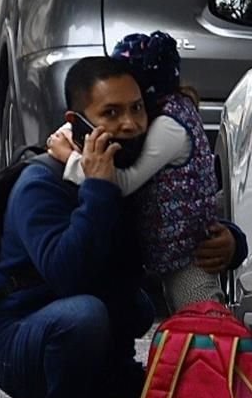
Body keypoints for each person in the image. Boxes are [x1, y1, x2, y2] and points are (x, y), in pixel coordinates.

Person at [0, 56, 247, 398]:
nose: (129, 124)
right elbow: (70, 274)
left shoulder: (129, 177)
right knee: (83, 315)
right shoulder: (41, 185)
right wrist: (98, 190)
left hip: (102, 348)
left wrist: (231, 243)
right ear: (77, 122)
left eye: (137, 109)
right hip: (25, 338)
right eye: (110, 113)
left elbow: (174, 224)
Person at [47, 31, 222, 312]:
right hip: (165, 250)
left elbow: (122, 183)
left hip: (189, 256)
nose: (128, 122)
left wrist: (69, 160)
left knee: (203, 324)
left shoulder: (169, 124)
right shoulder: (168, 112)